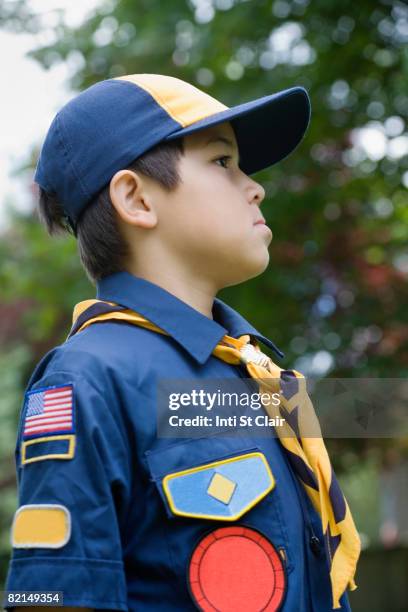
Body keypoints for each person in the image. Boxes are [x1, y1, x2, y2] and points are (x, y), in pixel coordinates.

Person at [4, 73, 360, 611]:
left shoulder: (261, 374)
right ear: (136, 198)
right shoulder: (88, 380)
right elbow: (52, 597)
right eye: (223, 162)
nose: (255, 185)